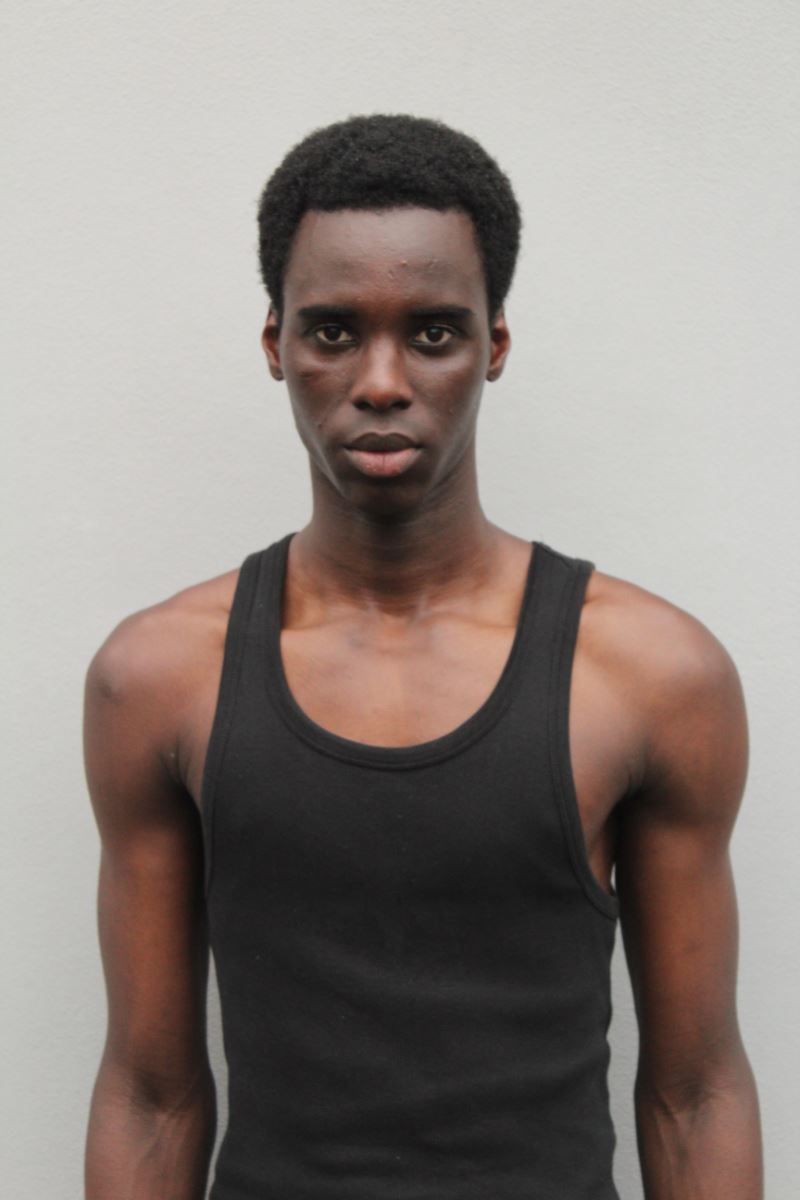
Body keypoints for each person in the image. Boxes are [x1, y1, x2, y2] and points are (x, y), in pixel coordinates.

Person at [83, 114, 763, 1199]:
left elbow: (695, 1092)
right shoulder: (158, 680)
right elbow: (149, 1094)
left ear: (495, 344)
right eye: (333, 332)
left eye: (434, 333)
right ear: (276, 345)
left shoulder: (652, 677)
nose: (382, 381)